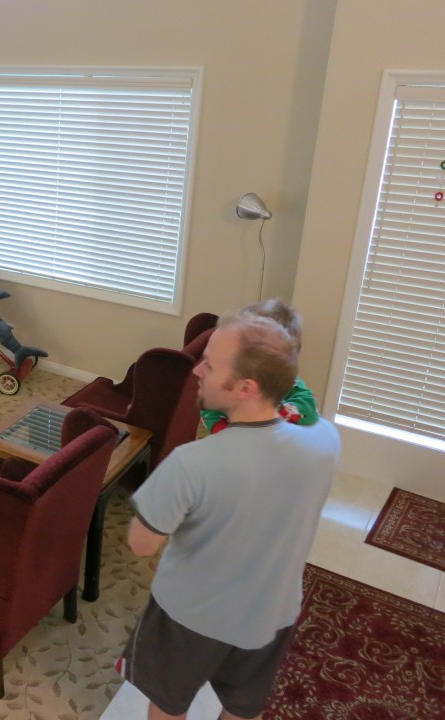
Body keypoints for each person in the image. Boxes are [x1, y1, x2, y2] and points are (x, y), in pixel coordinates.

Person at [119, 308, 340, 720]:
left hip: (189, 618)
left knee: (166, 706)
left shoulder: (192, 463)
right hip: (272, 616)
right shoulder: (327, 440)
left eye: (210, 364)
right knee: (242, 710)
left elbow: (141, 544)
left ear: (245, 387)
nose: (197, 370)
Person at [201, 299, 318, 434]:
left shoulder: (294, 387)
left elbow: (309, 409)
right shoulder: (223, 388)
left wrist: (264, 418)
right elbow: (211, 414)